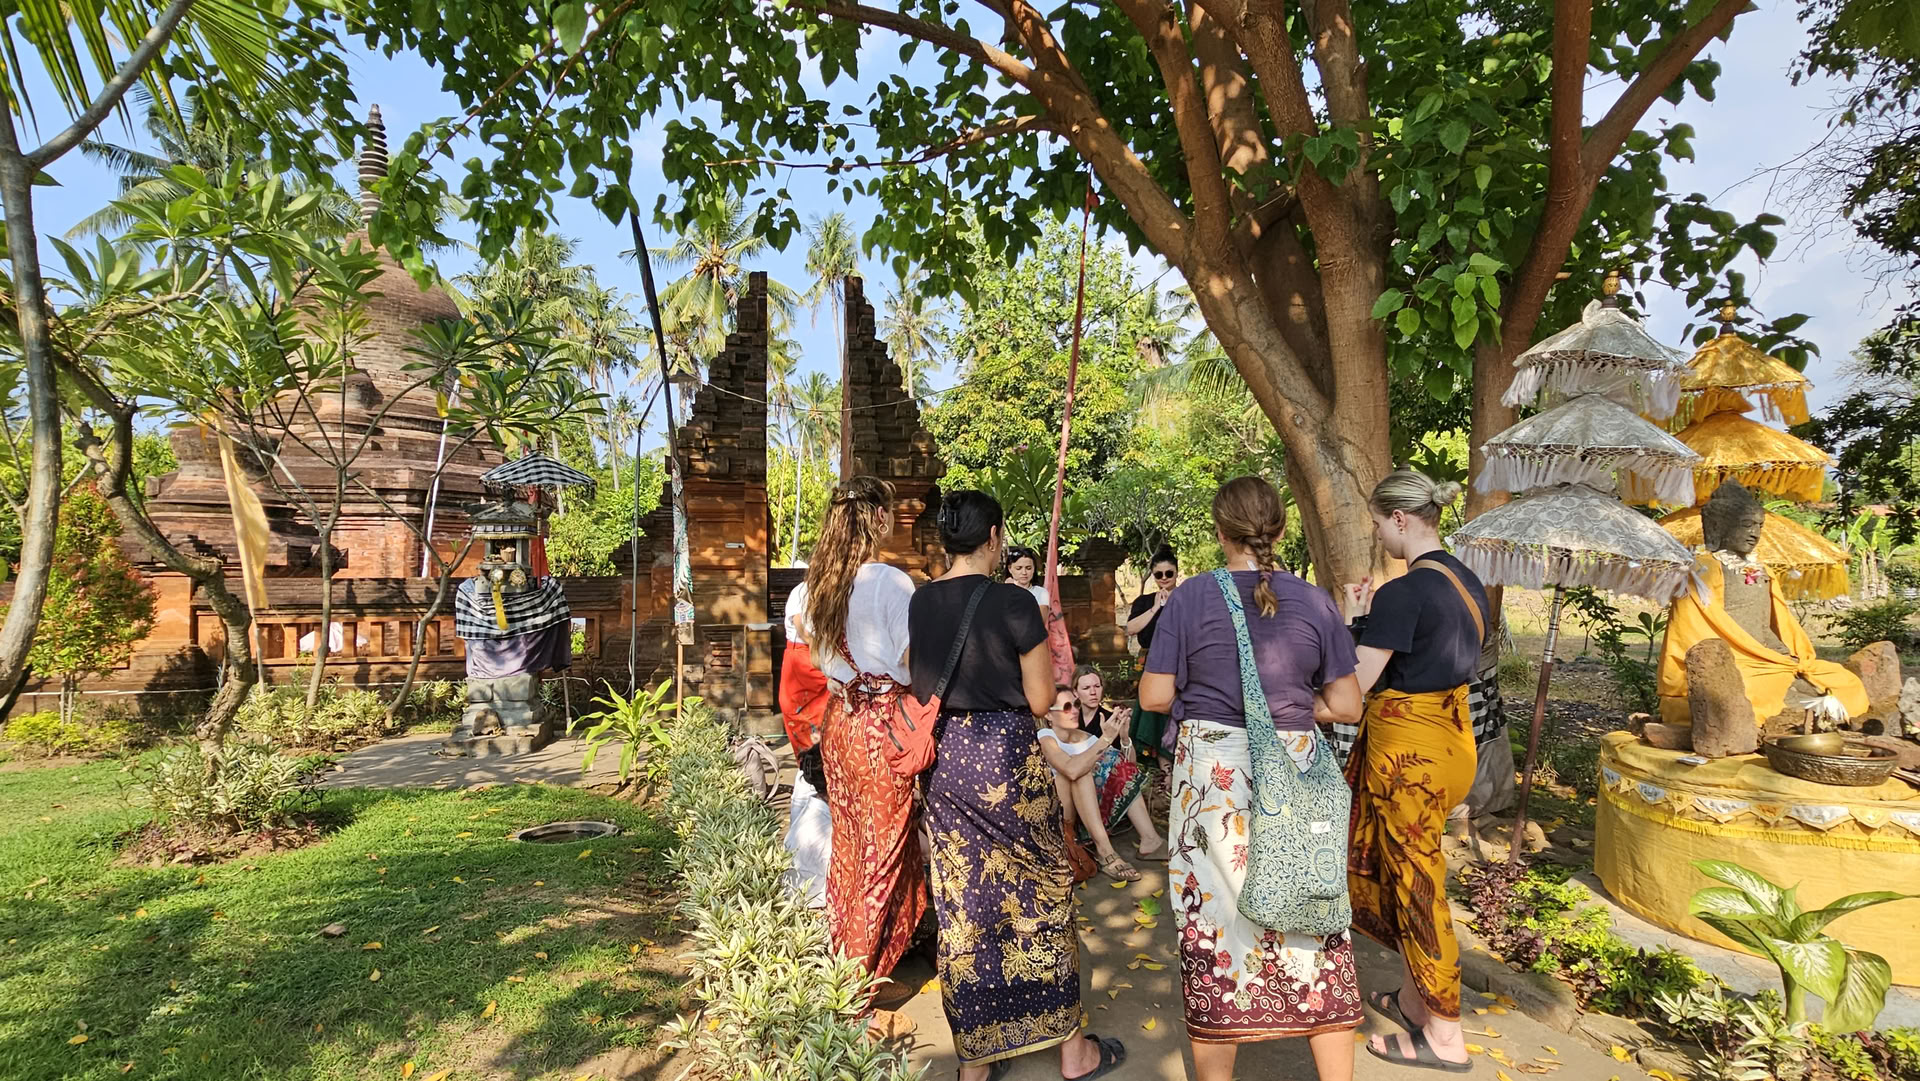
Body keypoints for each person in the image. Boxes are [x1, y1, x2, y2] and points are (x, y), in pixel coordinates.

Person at [1138, 477, 1364, 1081]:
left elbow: (1156, 695)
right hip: (1294, 763)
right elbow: (1347, 705)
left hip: (1213, 776)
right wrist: (1287, 712)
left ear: (1220, 532)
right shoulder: (1315, 601)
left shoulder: (1188, 598)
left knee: (1215, 922)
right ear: (1281, 530)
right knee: (1310, 908)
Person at [912, 490, 1125, 1081]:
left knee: (964, 904)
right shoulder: (1014, 602)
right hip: (1006, 759)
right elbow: (1037, 699)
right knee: (1043, 895)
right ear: (996, 537)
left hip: (948, 764)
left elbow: (920, 679)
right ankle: (1072, 1052)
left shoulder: (921, 602)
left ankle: (975, 1065)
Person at [1339, 468, 1489, 1073]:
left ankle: (1445, 1038)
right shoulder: (1465, 579)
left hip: (1409, 756)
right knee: (1410, 870)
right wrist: (1362, 616)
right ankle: (1411, 999)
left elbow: (1359, 681)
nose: (1379, 535)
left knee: (1418, 885)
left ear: (1400, 519)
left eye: (1379, 523)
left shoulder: (1405, 590)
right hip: (1451, 743)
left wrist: (1352, 622)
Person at [793, 476, 925, 987]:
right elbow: (911, 665)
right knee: (883, 852)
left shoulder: (818, 587)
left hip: (840, 723)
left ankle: (850, 955)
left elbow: (824, 662)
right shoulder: (890, 583)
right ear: (878, 518)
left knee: (852, 846)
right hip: (880, 727)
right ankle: (852, 990)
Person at [1037, 686, 1141, 882]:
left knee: (1083, 773)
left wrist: (1124, 737)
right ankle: (1105, 851)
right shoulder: (1045, 737)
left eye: (1076, 704)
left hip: (1088, 814)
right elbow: (1072, 769)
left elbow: (1126, 770)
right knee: (1077, 773)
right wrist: (1106, 738)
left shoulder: (1089, 739)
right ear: (1049, 715)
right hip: (1059, 818)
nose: (1075, 710)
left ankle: (1107, 848)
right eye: (1066, 707)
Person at [1066, 665, 1164, 861]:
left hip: (1106, 788)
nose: (1093, 692)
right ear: (1075, 692)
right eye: (1086, 688)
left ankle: (1150, 839)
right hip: (1075, 785)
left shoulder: (1112, 719)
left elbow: (1130, 767)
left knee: (1117, 760)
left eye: (1097, 686)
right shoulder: (1068, 718)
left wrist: (1124, 738)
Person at [1126, 547, 1179, 763]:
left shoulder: (1187, 598)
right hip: (1149, 659)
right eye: (1159, 574)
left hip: (1177, 660)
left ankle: (1171, 760)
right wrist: (1156, 607)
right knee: (1150, 708)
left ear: (1176, 572)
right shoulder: (1144, 602)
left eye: (1169, 573)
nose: (1164, 578)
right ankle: (1151, 759)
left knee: (1172, 707)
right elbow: (1131, 628)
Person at [1005, 544, 1052, 611]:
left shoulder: (1041, 593)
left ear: (1034, 569)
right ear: (1010, 569)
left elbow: (1041, 619)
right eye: (1018, 568)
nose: (1024, 572)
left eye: (1028, 568)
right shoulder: (1002, 592)